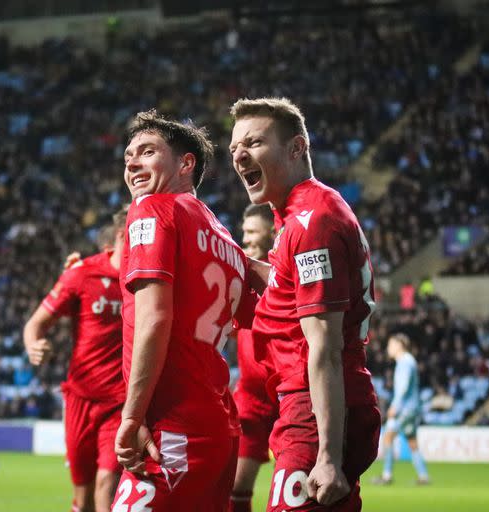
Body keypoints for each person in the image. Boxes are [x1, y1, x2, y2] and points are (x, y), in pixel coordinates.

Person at [229, 97, 380, 511]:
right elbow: (282, 282)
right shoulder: (300, 213)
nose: (240, 155)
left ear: (296, 148)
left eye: (254, 142)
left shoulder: (313, 222)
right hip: (310, 401)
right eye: (234, 148)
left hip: (316, 409)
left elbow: (325, 347)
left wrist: (327, 456)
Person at [113, 110, 253, 511]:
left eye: (147, 152)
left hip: (172, 423)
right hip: (219, 424)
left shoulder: (153, 208)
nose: (133, 163)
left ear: (185, 163)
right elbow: (247, 320)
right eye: (128, 157)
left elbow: (155, 319)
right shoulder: (223, 235)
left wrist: (132, 417)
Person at [23, 207, 127, 512]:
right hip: (81, 398)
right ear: (124, 234)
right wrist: (33, 345)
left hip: (121, 403)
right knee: (84, 497)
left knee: (108, 484)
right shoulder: (82, 273)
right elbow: (36, 323)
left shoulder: (149, 280)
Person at [230, 204, 277, 512]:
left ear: (273, 232)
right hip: (251, 398)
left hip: (292, 395)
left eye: (252, 231)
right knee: (235, 486)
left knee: (296, 488)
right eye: (244, 231)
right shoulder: (239, 272)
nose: (245, 238)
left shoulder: (288, 273)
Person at [372, 333, 430, 485]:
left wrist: (395, 406)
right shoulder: (409, 361)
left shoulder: (404, 362)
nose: (388, 348)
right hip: (412, 408)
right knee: (412, 442)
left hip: (404, 409)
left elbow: (403, 388)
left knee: (388, 437)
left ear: (399, 345)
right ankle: (423, 476)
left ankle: (387, 475)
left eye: (391, 344)